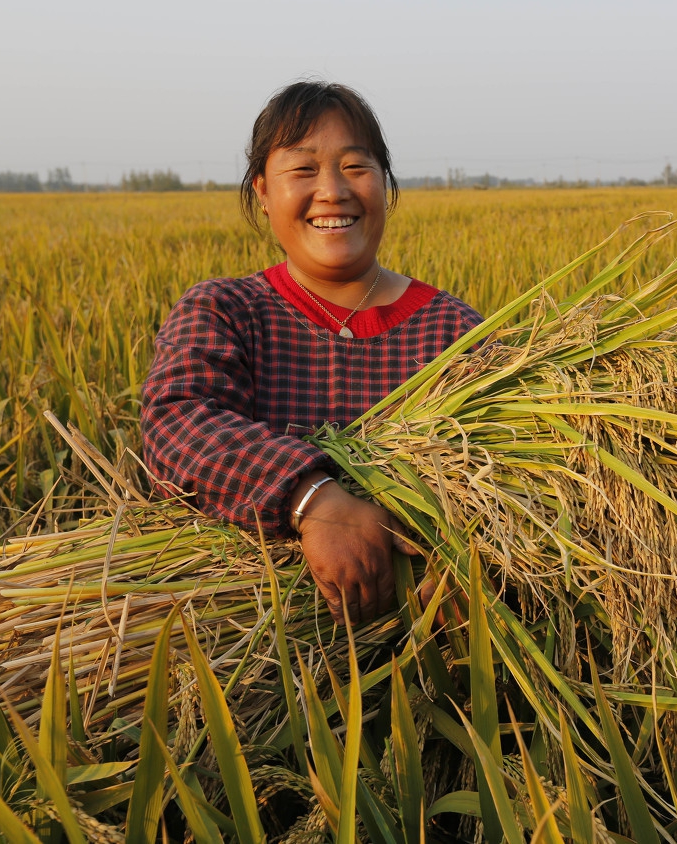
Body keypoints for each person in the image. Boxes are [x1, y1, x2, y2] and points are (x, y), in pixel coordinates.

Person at [141, 82, 483, 625]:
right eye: (302, 171)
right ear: (262, 191)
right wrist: (313, 500)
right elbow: (176, 424)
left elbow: (501, 470)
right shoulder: (226, 311)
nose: (332, 191)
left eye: (355, 166)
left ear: (385, 182)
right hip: (256, 646)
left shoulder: (454, 332)